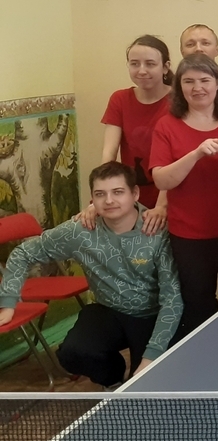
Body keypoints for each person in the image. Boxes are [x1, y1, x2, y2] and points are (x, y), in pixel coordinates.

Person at [0, 162, 181, 388]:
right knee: (73, 352)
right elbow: (23, 253)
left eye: (118, 192)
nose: (109, 200)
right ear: (92, 199)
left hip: (151, 316)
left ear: (135, 193)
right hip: (108, 311)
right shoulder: (80, 230)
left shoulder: (158, 231)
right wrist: (8, 303)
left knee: (147, 384)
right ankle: (114, 380)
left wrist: (150, 357)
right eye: (100, 194)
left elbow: (172, 299)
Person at [149, 53, 218, 338]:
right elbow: (162, 179)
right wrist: (195, 154)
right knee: (198, 305)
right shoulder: (167, 126)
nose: (197, 88)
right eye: (189, 81)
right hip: (190, 235)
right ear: (179, 87)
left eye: (205, 80)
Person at [99, 35, 173, 223]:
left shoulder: (178, 101)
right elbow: (109, 154)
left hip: (170, 194)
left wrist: (161, 207)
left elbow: (177, 157)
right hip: (131, 195)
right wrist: (101, 197)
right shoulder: (120, 99)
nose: (142, 70)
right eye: (134, 64)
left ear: (165, 67)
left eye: (150, 64)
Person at [179, 24, 218, 94]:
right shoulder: (172, 92)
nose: (198, 49)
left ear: (217, 50)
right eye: (190, 44)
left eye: (205, 43)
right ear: (182, 51)